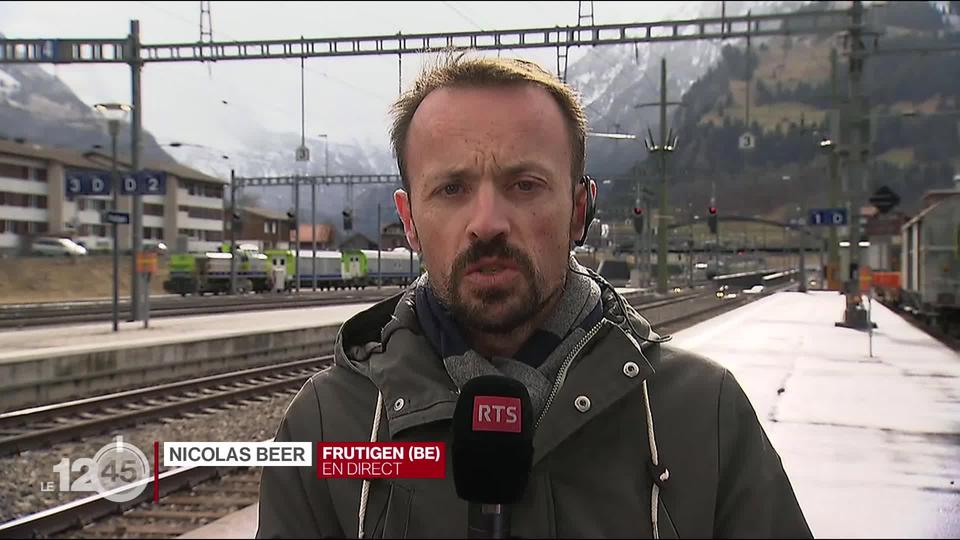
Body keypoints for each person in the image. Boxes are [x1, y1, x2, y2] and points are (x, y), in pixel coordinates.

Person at [256, 53, 811, 539]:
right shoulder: (327, 428)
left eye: (525, 185)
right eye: (452, 189)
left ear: (578, 210)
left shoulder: (700, 415)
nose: (487, 223)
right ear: (409, 221)